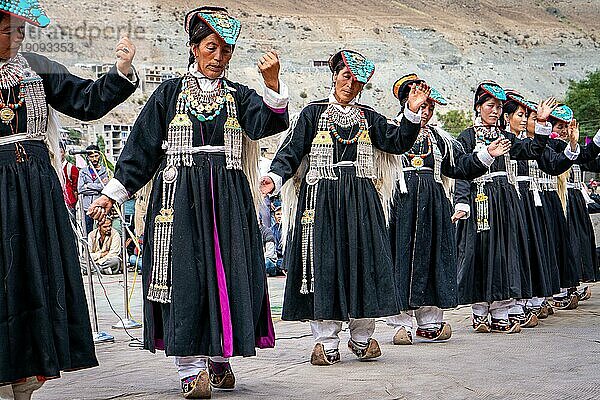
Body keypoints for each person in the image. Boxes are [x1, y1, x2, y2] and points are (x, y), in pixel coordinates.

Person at [88, 6, 289, 399]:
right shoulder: (169, 93)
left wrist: (273, 81)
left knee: (226, 276)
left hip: (228, 198)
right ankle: (190, 367)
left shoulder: (239, 95)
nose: (219, 57)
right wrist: (112, 196)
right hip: (178, 199)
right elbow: (141, 149)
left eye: (227, 51)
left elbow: (267, 124)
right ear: (194, 48)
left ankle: (217, 356)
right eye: (212, 48)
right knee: (186, 279)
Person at [0, 2, 138, 399]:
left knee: (36, 281)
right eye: (9, 30)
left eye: (22, 31)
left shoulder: (35, 67)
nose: (19, 38)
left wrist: (120, 72)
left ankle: (26, 383)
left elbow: (85, 101)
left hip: (37, 192)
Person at [260, 50, 429, 365]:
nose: (350, 84)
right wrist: (274, 177)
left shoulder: (369, 116)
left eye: (357, 81)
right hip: (321, 201)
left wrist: (411, 113)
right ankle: (326, 341)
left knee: (365, 264)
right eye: (346, 76)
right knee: (325, 265)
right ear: (334, 75)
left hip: (363, 202)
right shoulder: (312, 113)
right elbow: (292, 151)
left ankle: (362, 337)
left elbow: (396, 143)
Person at [385, 74, 510, 345]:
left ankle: (430, 320)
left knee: (433, 259)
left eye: (430, 107)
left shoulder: (440, 138)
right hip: (401, 204)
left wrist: (486, 153)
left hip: (434, 205)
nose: (426, 111)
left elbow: (460, 168)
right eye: (420, 105)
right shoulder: (391, 132)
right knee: (401, 257)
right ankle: (400, 322)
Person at [454, 81, 552, 334]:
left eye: (499, 107)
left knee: (504, 254)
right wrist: (462, 202)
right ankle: (479, 313)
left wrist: (540, 124)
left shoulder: (505, 137)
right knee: (480, 254)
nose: (495, 111)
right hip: (480, 201)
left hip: (506, 201)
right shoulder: (465, 137)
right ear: (478, 107)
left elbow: (532, 149)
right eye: (490, 106)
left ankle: (499, 311)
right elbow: (462, 171)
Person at [78, 144, 109, 233]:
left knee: (101, 230)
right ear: (87, 157)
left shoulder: (105, 171)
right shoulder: (83, 172)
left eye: (96, 156)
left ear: (99, 155)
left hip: (100, 207)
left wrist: (88, 185)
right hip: (87, 207)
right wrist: (98, 187)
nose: (94, 159)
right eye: (91, 157)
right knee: (88, 231)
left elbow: (105, 188)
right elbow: (80, 189)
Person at [61, 141, 79, 222]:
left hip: (69, 201)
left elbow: (76, 187)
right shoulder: (51, 167)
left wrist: (73, 202)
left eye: (60, 151)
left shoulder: (71, 168)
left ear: (64, 153)